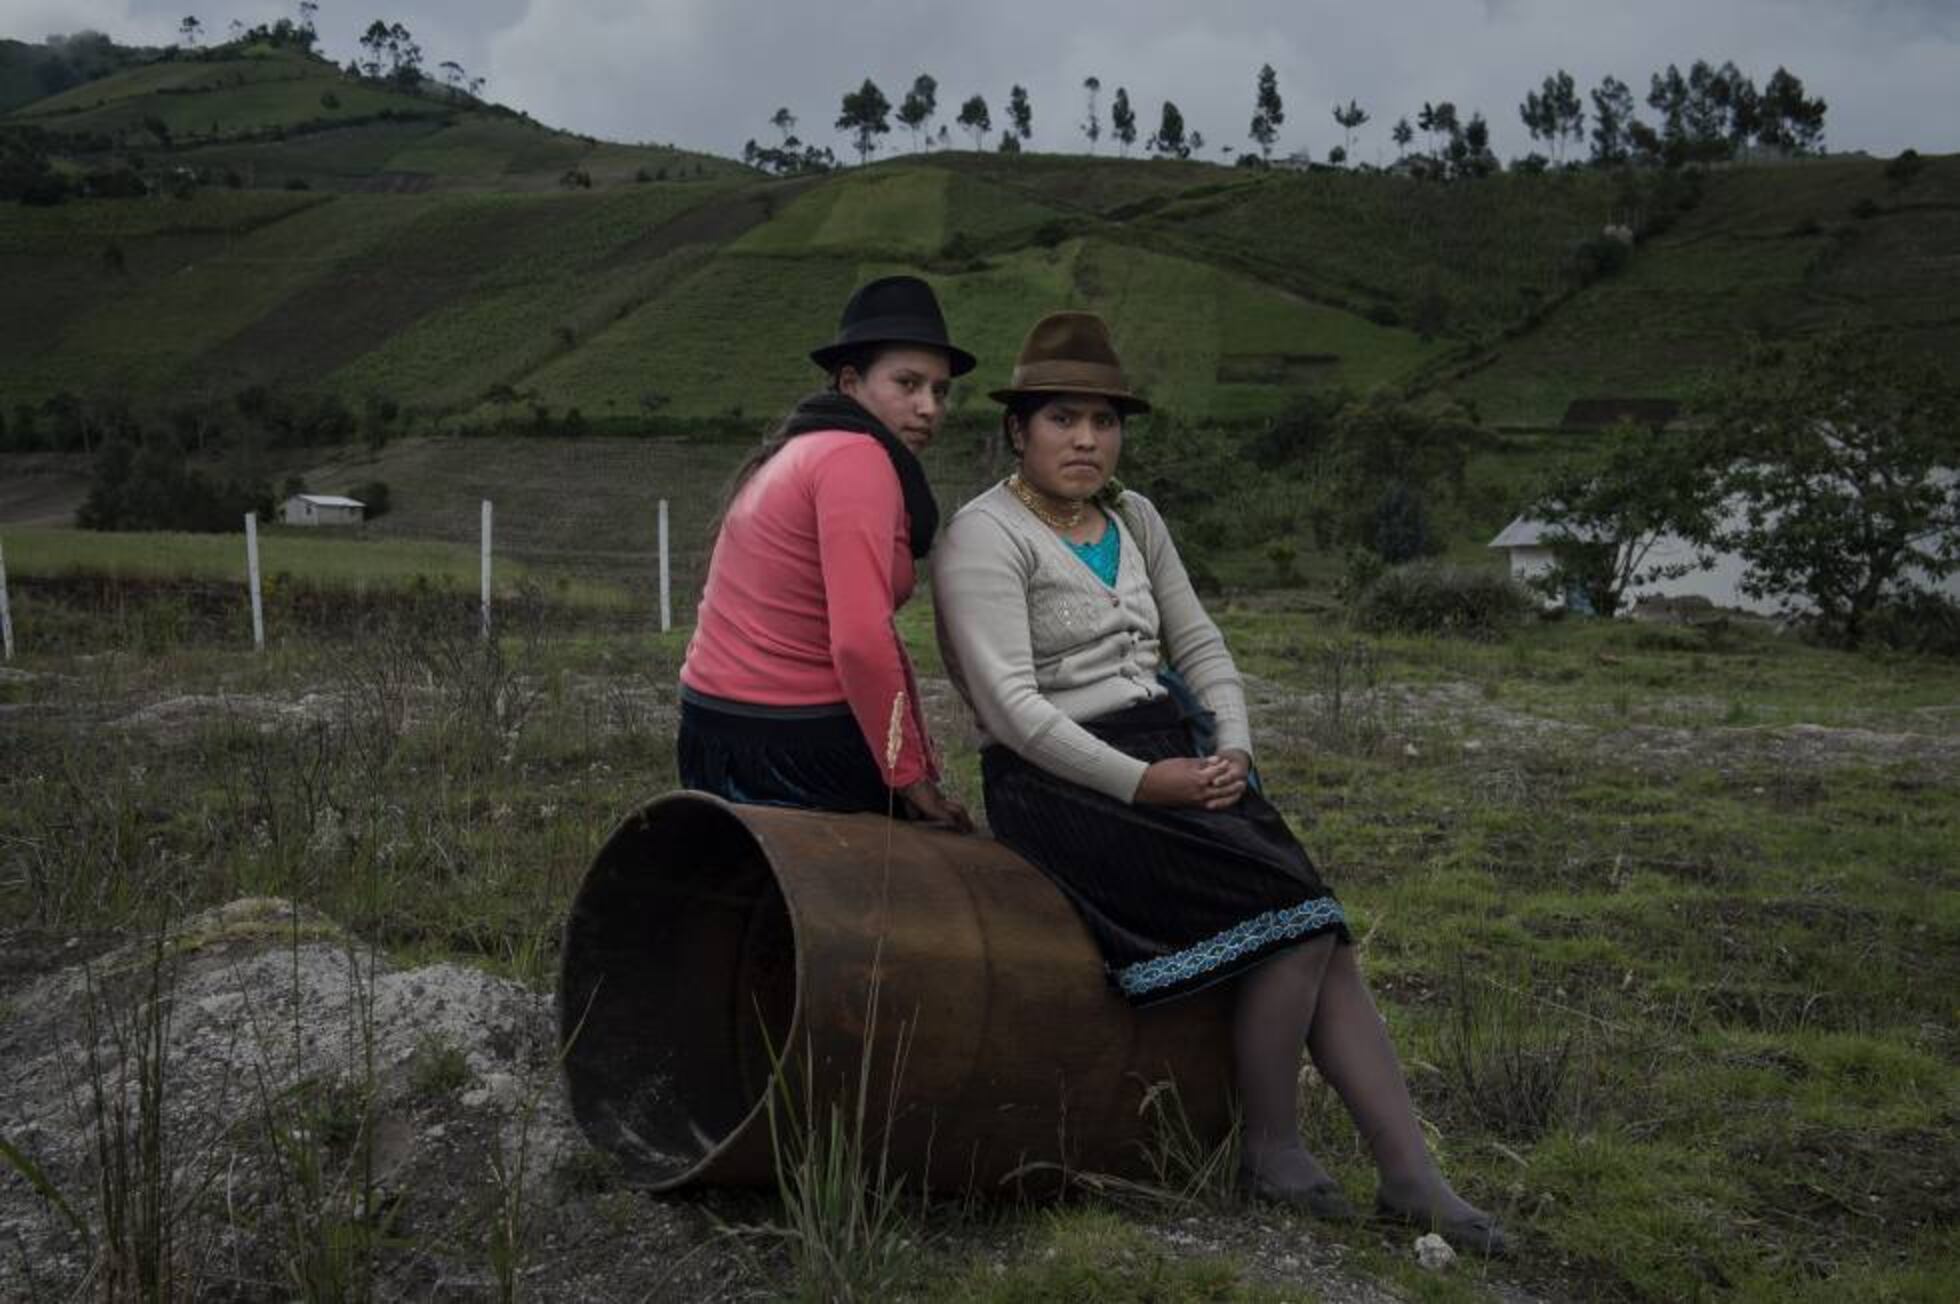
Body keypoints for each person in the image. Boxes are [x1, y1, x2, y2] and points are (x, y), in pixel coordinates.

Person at [931, 312, 1506, 1255]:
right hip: (1068, 781)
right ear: (1017, 429)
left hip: (1176, 748)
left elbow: (1198, 644)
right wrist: (1142, 783)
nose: (1086, 440)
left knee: (1321, 931)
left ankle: (1410, 1176)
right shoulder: (985, 537)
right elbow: (1012, 713)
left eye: (1105, 422)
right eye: (1063, 419)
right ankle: (1273, 1149)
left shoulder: (1135, 515)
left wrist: (1231, 744)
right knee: (1294, 917)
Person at [678, 275, 972, 831]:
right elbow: (860, 642)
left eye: (940, 390)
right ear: (850, 382)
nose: (928, 407)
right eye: (907, 384)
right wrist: (909, 775)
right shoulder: (855, 459)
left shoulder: (798, 450)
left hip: (712, 728)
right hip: (789, 745)